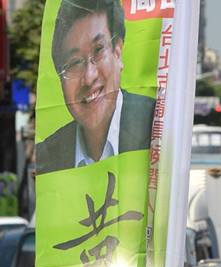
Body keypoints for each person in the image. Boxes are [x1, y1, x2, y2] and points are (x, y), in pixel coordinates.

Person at [37, 0, 155, 174]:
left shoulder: (155, 126)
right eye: (75, 62)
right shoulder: (47, 158)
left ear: (118, 52)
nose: (89, 77)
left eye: (99, 50)